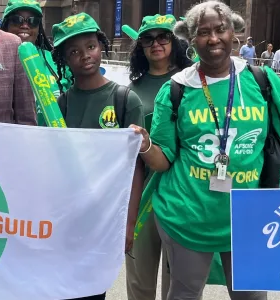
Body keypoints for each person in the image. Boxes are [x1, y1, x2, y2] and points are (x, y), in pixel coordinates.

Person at [129, 1, 280, 299]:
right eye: (203, 32)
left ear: (234, 33)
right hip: (187, 214)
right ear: (190, 38)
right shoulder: (177, 89)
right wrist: (146, 145)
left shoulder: (261, 80)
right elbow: (163, 161)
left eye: (220, 29)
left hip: (249, 216)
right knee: (185, 292)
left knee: (250, 295)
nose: (213, 38)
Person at [51, 14, 144, 300]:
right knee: (63, 286)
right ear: (65, 59)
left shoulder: (125, 99)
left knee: (94, 288)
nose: (84, 56)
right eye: (74, 52)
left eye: (90, 47)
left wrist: (129, 224)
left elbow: (136, 169)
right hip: (69, 217)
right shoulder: (60, 105)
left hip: (106, 218)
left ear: (101, 46)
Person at [124, 13, 192, 300]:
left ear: (174, 41)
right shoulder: (130, 91)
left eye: (163, 36)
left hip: (181, 190)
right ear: (140, 47)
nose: (156, 44)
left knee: (179, 280)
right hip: (141, 190)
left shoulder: (191, 84)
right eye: (148, 39)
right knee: (140, 278)